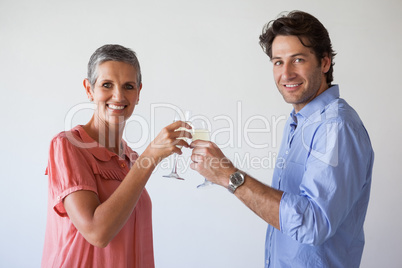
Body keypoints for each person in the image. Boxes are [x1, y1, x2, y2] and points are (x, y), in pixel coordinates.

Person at [190, 11, 374, 268]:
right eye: (278, 62)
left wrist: (229, 176)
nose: (286, 73)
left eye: (297, 60)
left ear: (324, 63)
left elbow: (312, 225)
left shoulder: (336, 127)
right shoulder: (298, 120)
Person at [42, 44, 192, 267]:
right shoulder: (68, 145)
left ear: (139, 92)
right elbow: (97, 233)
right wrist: (150, 156)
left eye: (128, 86)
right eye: (106, 85)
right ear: (89, 89)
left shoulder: (130, 158)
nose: (119, 95)